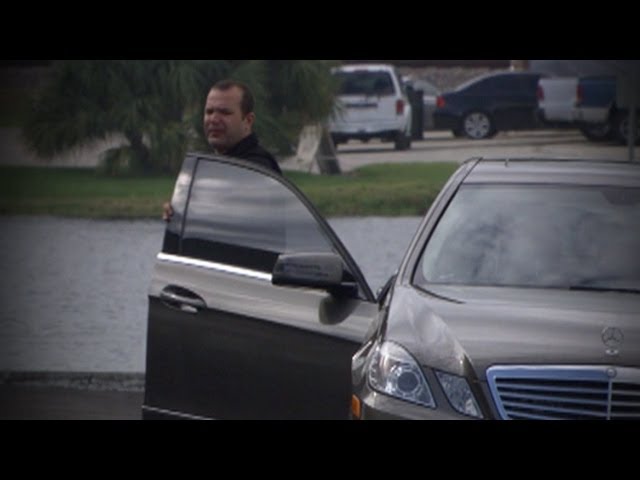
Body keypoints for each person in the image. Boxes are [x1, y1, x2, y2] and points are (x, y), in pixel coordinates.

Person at [163, 79, 281, 221]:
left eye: (224, 112)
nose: (213, 119)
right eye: (209, 112)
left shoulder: (257, 169)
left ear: (248, 120)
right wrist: (178, 213)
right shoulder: (214, 165)